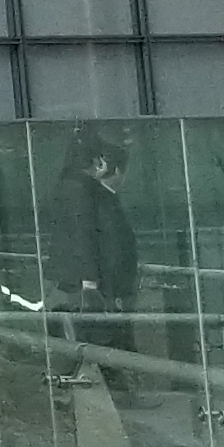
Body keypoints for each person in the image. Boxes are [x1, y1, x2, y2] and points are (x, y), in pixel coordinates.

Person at [40, 141, 139, 337]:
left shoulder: (79, 191)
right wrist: (90, 282)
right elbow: (88, 238)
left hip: (89, 282)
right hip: (95, 284)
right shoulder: (90, 196)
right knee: (96, 335)